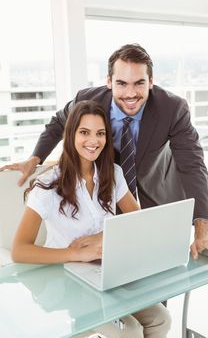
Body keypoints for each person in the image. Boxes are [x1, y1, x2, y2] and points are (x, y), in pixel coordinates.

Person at [3, 43, 208, 263]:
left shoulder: (172, 108)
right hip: (106, 196)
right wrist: (35, 158)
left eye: (139, 83)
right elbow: (58, 125)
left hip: (152, 197)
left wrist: (203, 230)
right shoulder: (87, 102)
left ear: (151, 82)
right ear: (109, 82)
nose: (131, 93)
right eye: (122, 83)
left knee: (153, 271)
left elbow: (192, 165)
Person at [11, 100, 171, 338]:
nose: (93, 141)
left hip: (105, 273)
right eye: (84, 132)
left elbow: (138, 223)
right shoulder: (47, 187)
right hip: (66, 279)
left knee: (161, 319)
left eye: (100, 133)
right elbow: (19, 250)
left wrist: (103, 236)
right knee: (130, 331)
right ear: (71, 135)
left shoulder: (113, 174)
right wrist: (75, 253)